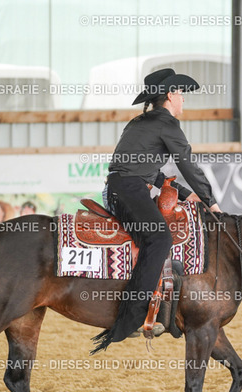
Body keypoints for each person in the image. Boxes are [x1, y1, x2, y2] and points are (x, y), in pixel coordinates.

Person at [93, 68, 222, 352]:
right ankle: (133, 317)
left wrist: (186, 194)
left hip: (123, 187)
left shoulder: (141, 122)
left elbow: (147, 170)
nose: (184, 99)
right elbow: (188, 165)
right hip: (129, 189)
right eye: (181, 93)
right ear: (171, 95)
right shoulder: (167, 124)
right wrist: (211, 202)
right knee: (160, 238)